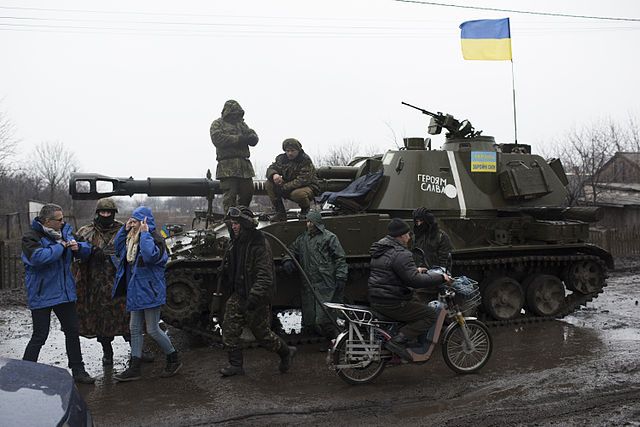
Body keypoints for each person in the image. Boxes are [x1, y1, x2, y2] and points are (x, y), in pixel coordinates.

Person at [21, 203, 95, 384]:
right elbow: (38, 258)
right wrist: (61, 246)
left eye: (63, 219)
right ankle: (24, 372)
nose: (63, 222)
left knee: (72, 331)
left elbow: (86, 249)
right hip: (42, 293)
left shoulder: (66, 232)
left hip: (64, 293)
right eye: (59, 219)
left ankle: (78, 370)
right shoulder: (31, 237)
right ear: (47, 221)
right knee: (40, 335)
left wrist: (78, 247)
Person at [219, 206, 296, 377]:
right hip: (239, 293)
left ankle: (285, 352)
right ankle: (236, 365)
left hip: (256, 297)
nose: (233, 226)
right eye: (232, 223)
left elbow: (265, 275)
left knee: (263, 335)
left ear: (245, 225)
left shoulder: (259, 244)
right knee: (229, 328)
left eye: (237, 223)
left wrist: (254, 298)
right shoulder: (236, 242)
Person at [112, 206, 182, 382]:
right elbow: (117, 248)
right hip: (136, 291)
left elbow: (150, 257)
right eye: (132, 220)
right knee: (134, 329)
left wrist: (144, 234)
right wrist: (124, 229)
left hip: (150, 291)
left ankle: (173, 358)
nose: (133, 224)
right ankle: (135, 367)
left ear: (144, 222)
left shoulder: (156, 239)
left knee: (152, 329)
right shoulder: (131, 240)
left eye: (135, 221)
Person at [368, 218, 452, 360]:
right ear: (401, 235)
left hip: (377, 297)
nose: (409, 237)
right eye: (408, 234)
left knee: (416, 302)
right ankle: (398, 341)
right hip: (393, 301)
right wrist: (441, 278)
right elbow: (415, 282)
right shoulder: (401, 253)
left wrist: (415, 269)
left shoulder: (382, 249)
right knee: (430, 314)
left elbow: (392, 272)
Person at [73, 198, 130, 366]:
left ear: (113, 213)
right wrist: (91, 253)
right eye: (102, 212)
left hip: (119, 283)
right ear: (97, 213)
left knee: (127, 318)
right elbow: (76, 253)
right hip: (95, 284)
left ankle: (137, 351)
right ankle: (108, 352)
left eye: (109, 212)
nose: (106, 215)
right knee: (101, 322)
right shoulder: (86, 231)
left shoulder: (122, 230)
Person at [283, 210, 347, 342]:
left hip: (325, 282)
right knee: (311, 313)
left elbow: (340, 258)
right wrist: (288, 259)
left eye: (311, 221)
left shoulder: (329, 237)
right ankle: (320, 336)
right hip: (309, 282)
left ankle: (333, 340)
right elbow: (292, 249)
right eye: (307, 221)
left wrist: (341, 276)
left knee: (326, 314)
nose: (308, 224)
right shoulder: (303, 239)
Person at [210, 100, 259, 214]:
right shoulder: (218, 124)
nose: (235, 116)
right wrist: (239, 139)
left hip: (244, 166)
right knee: (230, 197)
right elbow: (218, 139)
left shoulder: (241, 124)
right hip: (227, 167)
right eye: (233, 113)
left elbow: (251, 135)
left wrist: (252, 137)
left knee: (248, 192)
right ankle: (231, 221)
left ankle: (242, 217)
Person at [265, 138, 320, 221]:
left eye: (292, 150)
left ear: (298, 150)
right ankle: (280, 212)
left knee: (298, 194)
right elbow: (271, 168)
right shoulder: (282, 159)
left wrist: (284, 188)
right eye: (287, 151)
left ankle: (305, 210)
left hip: (307, 187)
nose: (290, 153)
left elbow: (303, 180)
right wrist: (274, 174)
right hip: (289, 186)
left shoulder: (305, 160)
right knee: (269, 183)